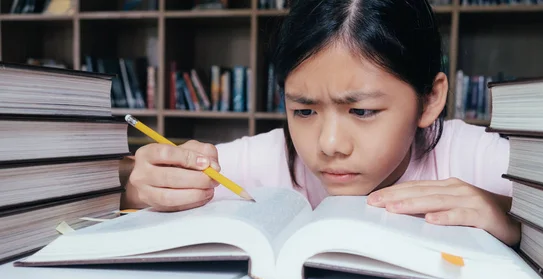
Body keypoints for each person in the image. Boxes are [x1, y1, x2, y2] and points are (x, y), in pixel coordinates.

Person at [120, 0, 520, 247]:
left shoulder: (474, 157)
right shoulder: (268, 156)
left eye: (362, 111)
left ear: (430, 100)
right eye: (304, 111)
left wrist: (510, 216)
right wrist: (145, 191)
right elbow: (145, 187)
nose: (328, 144)